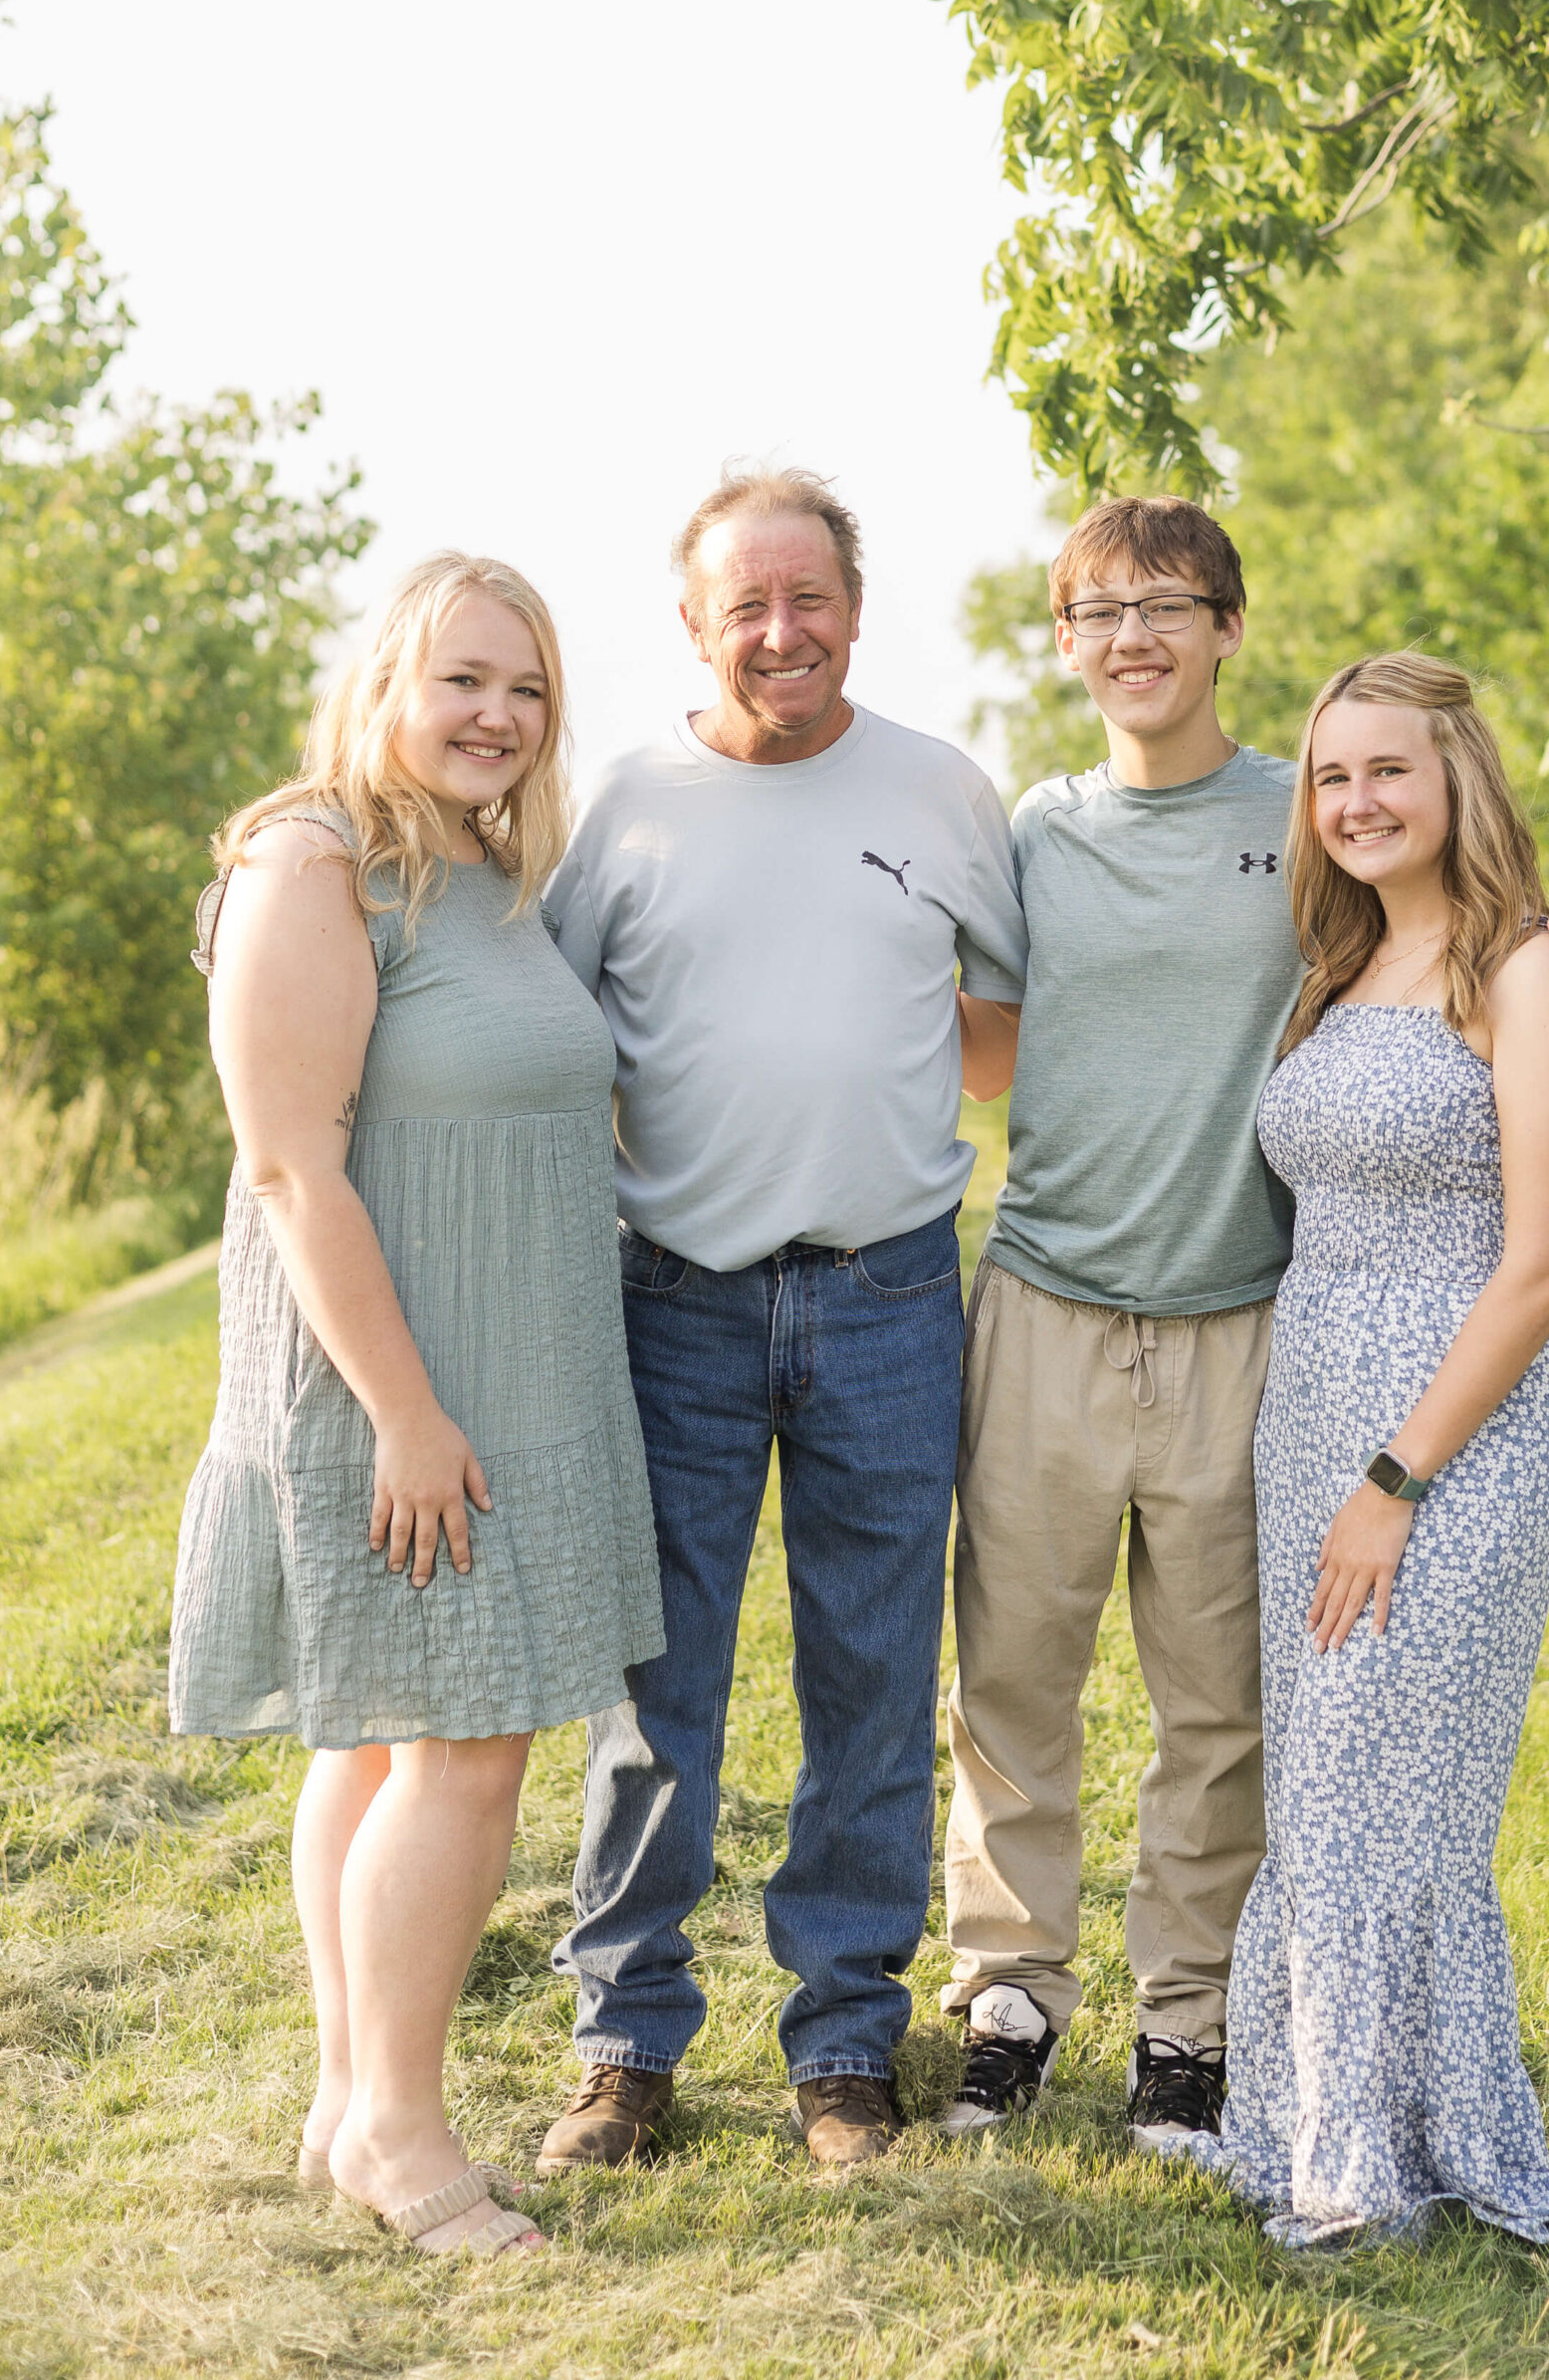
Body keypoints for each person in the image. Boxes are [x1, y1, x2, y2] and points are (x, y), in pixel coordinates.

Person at [935, 500, 1549, 2147]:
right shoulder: (1035, 833)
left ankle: (1187, 2030)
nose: (1132, 637)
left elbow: (1469, 949)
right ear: (1063, 644)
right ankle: (1010, 1994)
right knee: (1013, 1680)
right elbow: (979, 1049)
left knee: (1222, 1704)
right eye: (1095, 611)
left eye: (1167, 605)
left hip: (1248, 1321)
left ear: (1228, 631)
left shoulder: (1313, 822)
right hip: (1044, 1294)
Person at [535, 466, 1027, 2170]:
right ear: (690, 626)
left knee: (877, 1684)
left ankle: (842, 2049)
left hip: (890, 1288)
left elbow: (1017, 1015)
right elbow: (540, 1029)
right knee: (653, 1690)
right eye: (744, 604)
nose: (780, 631)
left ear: (856, 609)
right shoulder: (622, 809)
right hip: (673, 1298)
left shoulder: (945, 792)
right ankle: (626, 2048)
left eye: (808, 597)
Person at [170, 554, 662, 2260]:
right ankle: (401, 2125)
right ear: (388, 678)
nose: (499, 718)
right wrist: (403, 1414)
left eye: (526, 691)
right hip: (403, 1388)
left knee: (385, 1739)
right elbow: (293, 1169)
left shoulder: (481, 871)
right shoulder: (312, 863)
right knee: (462, 1753)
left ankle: (345, 2104)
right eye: (464, 680)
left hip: (512, 1373)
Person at [1161, 649, 1549, 2247]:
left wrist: (1398, 1478)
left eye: (1387, 772)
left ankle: (1378, 2160)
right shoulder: (1334, 970)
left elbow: (1543, 1264)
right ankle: (1309, 2126)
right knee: (1334, 1786)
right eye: (1330, 776)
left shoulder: (1533, 977)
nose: (1355, 801)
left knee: (1385, 1782)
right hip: (1315, 1421)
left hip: (1454, 1432)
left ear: (1456, 785)